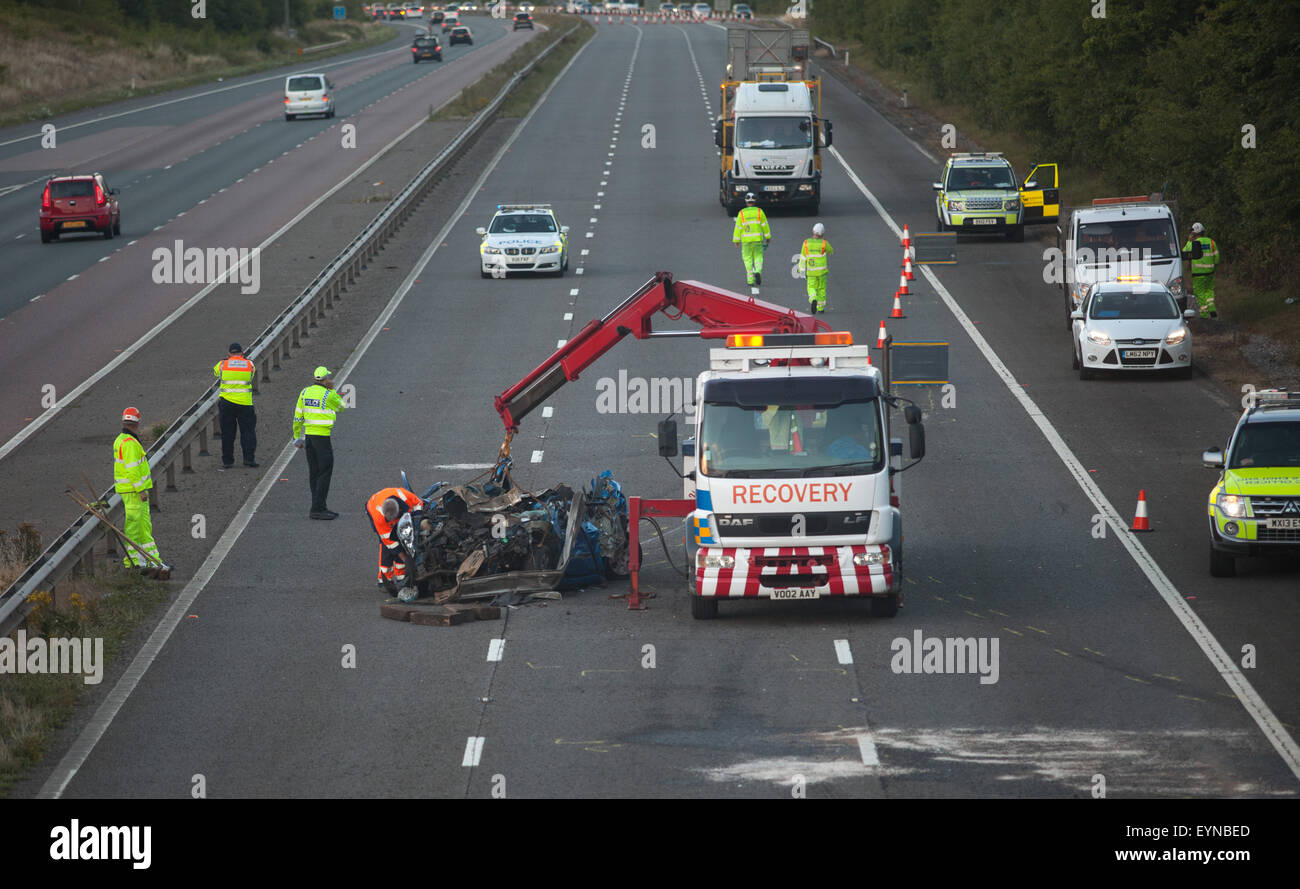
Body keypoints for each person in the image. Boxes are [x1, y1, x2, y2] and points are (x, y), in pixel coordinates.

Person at [113, 407, 171, 577]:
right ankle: (133, 563)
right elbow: (132, 470)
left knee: (143, 527)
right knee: (134, 527)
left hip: (131, 490)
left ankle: (152, 561)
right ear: (137, 423)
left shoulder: (121, 439)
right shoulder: (129, 444)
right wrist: (141, 490)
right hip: (133, 491)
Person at [293, 366, 346, 520]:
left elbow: (297, 417)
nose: (330, 380)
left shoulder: (304, 392)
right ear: (324, 379)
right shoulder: (328, 394)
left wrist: (297, 437)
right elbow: (341, 407)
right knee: (325, 471)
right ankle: (317, 508)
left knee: (314, 472)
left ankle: (318, 506)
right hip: (322, 437)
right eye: (328, 378)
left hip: (309, 437)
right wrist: (333, 391)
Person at [366, 487, 424, 597]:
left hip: (392, 503)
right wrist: (406, 559)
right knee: (388, 548)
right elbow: (391, 544)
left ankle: (401, 578)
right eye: (391, 521)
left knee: (401, 541)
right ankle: (383, 581)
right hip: (372, 505)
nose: (393, 523)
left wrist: (416, 525)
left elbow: (418, 504)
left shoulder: (406, 497)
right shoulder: (379, 518)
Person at [213, 342, 258, 470]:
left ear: (229, 353)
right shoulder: (249, 364)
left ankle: (228, 461)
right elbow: (252, 375)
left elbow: (216, 373)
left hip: (226, 403)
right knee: (248, 432)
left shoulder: (222, 364)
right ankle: (249, 459)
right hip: (245, 403)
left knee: (227, 433)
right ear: (242, 353)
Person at [732, 192, 770, 287]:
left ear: (746, 201)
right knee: (758, 257)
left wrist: (736, 240)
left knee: (747, 259)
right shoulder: (759, 212)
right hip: (758, 240)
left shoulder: (742, 213)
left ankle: (750, 280)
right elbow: (765, 226)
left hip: (746, 241)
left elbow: (738, 228)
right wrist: (768, 237)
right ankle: (757, 271)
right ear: (754, 201)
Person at [1183, 222, 1220, 317]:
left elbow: (1184, 253)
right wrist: (1213, 268)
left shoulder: (1192, 243)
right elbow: (1217, 258)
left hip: (1198, 274)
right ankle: (1211, 308)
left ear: (1193, 233)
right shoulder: (1211, 242)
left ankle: (1204, 313)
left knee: (1199, 293)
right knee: (1209, 290)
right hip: (1210, 272)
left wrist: (1189, 241)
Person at [800, 222, 833, 313]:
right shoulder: (824, 243)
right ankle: (820, 308)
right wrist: (825, 241)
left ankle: (813, 298)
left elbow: (803, 258)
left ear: (813, 231)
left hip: (811, 272)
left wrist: (802, 271)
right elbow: (831, 251)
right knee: (821, 289)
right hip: (822, 272)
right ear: (822, 233)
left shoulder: (806, 243)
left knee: (811, 287)